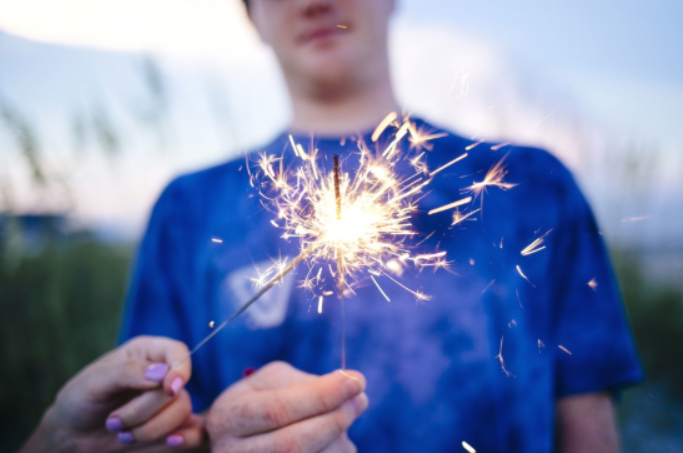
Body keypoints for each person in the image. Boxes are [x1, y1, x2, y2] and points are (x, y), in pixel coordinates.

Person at [120, 0, 642, 452]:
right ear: (251, 14)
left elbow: (587, 420)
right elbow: (157, 423)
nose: (314, 2)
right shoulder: (187, 211)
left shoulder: (529, 186)